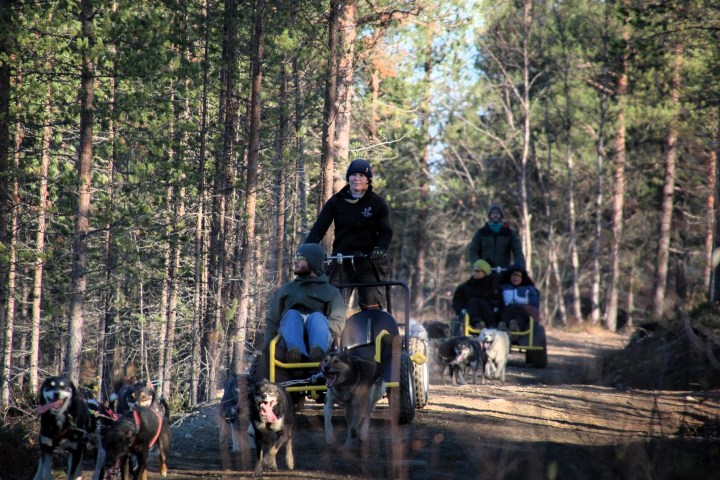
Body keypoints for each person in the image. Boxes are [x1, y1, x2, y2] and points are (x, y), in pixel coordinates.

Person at [305, 159, 392, 310]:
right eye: (353, 175)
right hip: (341, 260)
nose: (356, 178)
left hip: (368, 260)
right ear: (348, 178)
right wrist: (306, 251)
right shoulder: (336, 202)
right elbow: (318, 229)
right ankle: (334, 332)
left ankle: (374, 330)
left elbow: (386, 231)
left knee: (372, 304)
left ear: (367, 180)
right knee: (332, 304)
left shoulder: (377, 203)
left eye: (361, 175)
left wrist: (380, 247)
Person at [262, 243, 346, 363]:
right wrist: (265, 351)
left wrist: (315, 328)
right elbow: (273, 321)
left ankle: (317, 354)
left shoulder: (331, 292)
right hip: (291, 337)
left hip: (320, 336)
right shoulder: (286, 290)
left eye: (300, 258)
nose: (295, 261)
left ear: (313, 262)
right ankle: (296, 354)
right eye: (295, 257)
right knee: (291, 315)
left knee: (317, 317)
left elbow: (338, 322)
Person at [467, 203, 526, 270]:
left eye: (497, 213)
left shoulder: (509, 233)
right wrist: (476, 264)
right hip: (484, 271)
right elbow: (473, 250)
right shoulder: (481, 233)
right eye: (493, 213)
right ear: (489, 215)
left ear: (501, 215)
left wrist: (520, 265)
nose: (495, 215)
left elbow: (517, 251)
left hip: (503, 271)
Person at [451, 259, 500, 334]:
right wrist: (461, 310)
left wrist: (496, 308)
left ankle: (488, 326)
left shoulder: (493, 288)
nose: (474, 273)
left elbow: (498, 302)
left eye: (477, 271)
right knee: (473, 301)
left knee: (480, 302)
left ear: (485, 272)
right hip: (469, 320)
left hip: (488, 318)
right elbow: (457, 301)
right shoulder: (465, 287)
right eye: (473, 270)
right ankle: (478, 323)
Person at [498, 264, 540, 332]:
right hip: (507, 311)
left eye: (519, 276)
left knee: (519, 311)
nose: (516, 278)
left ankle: (515, 328)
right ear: (510, 276)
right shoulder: (503, 288)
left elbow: (535, 305)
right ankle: (503, 326)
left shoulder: (529, 289)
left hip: (523, 312)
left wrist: (534, 313)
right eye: (514, 275)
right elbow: (499, 302)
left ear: (522, 277)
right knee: (510, 308)